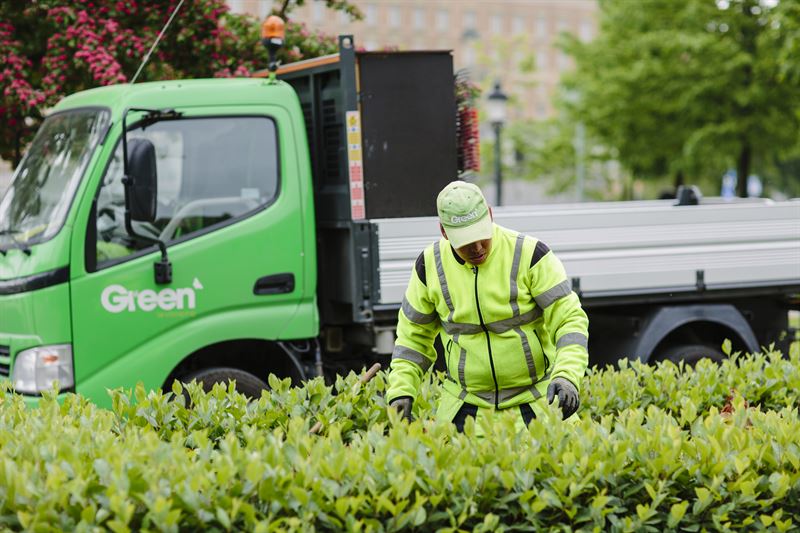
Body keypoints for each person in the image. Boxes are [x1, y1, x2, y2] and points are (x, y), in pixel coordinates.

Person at [385, 180, 589, 432]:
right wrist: (401, 391)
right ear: (444, 232)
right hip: (463, 406)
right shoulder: (428, 267)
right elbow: (412, 340)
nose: (478, 248)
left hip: (536, 402)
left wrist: (566, 376)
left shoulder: (530, 254)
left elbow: (570, 320)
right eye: (466, 242)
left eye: (482, 236)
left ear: (490, 215)